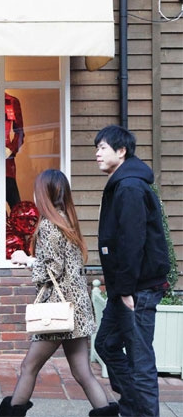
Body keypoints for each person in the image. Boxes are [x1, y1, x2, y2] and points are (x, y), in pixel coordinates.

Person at [0, 169, 118, 417]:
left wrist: (26, 259)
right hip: (76, 310)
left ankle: (11, 413)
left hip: (56, 313)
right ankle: (108, 412)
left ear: (45, 193)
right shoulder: (66, 220)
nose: (33, 194)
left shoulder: (49, 226)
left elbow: (51, 270)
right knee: (82, 373)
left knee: (28, 366)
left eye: (36, 189)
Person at [94, 125, 170, 417]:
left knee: (141, 361)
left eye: (102, 148)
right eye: (96, 148)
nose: (97, 154)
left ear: (121, 151)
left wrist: (126, 290)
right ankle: (132, 407)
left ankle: (143, 412)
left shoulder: (130, 187)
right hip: (125, 288)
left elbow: (132, 241)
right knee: (106, 344)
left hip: (138, 289)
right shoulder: (123, 183)